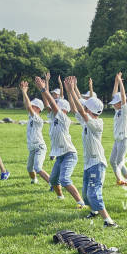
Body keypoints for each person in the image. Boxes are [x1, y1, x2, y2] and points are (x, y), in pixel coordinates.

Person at [63, 76, 117, 227]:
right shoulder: (87, 120)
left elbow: (80, 109)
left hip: (97, 163)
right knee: (86, 195)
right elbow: (75, 108)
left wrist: (73, 90)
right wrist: (70, 91)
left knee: (93, 193)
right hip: (89, 163)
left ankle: (108, 221)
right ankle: (94, 211)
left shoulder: (96, 123)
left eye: (86, 107)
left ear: (89, 110)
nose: (83, 108)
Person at [37, 73, 86, 208]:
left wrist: (43, 89)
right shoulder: (53, 118)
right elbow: (48, 103)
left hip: (69, 155)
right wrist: (44, 85)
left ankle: (80, 202)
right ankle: (60, 196)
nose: (52, 108)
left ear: (63, 109)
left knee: (64, 179)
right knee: (53, 180)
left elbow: (52, 103)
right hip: (60, 156)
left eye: (57, 106)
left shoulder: (64, 119)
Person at [19, 80, 50, 185]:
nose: (29, 107)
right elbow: (26, 104)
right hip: (33, 147)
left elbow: (28, 106)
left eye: (32, 106)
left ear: (37, 109)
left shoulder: (37, 119)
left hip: (39, 147)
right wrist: (24, 93)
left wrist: (24, 92)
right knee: (29, 168)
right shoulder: (31, 116)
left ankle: (53, 184)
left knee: (37, 167)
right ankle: (34, 180)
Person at [108, 72, 127, 186]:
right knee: (112, 161)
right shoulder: (117, 110)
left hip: (124, 139)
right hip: (117, 140)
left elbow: (122, 97)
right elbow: (115, 94)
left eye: (115, 103)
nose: (113, 104)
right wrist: (116, 82)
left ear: (120, 103)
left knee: (119, 161)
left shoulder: (124, 110)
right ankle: (120, 179)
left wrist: (121, 83)